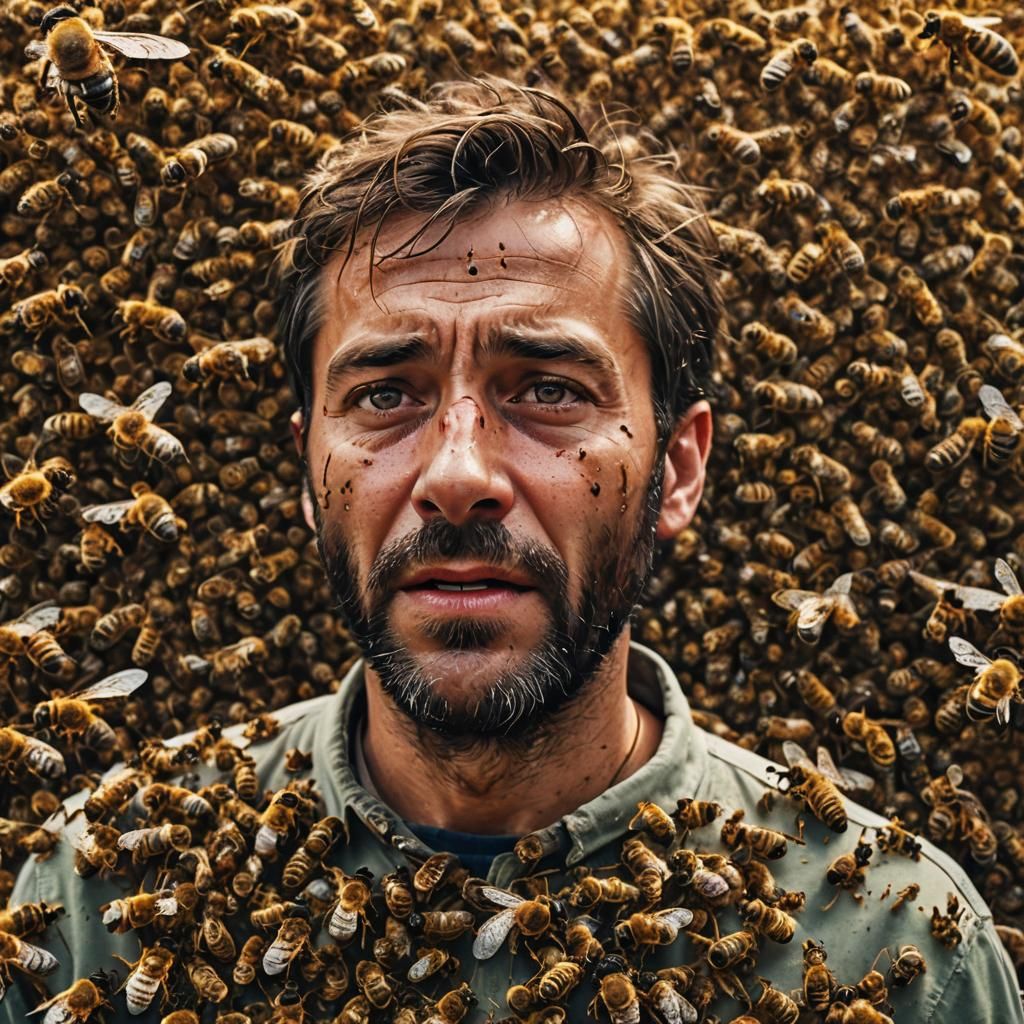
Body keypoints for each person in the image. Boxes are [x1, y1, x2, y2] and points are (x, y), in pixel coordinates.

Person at [3, 78, 1021, 1024]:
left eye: (547, 389)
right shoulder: (99, 898)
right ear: (310, 474)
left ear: (676, 469)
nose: (457, 472)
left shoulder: (900, 952)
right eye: (383, 393)